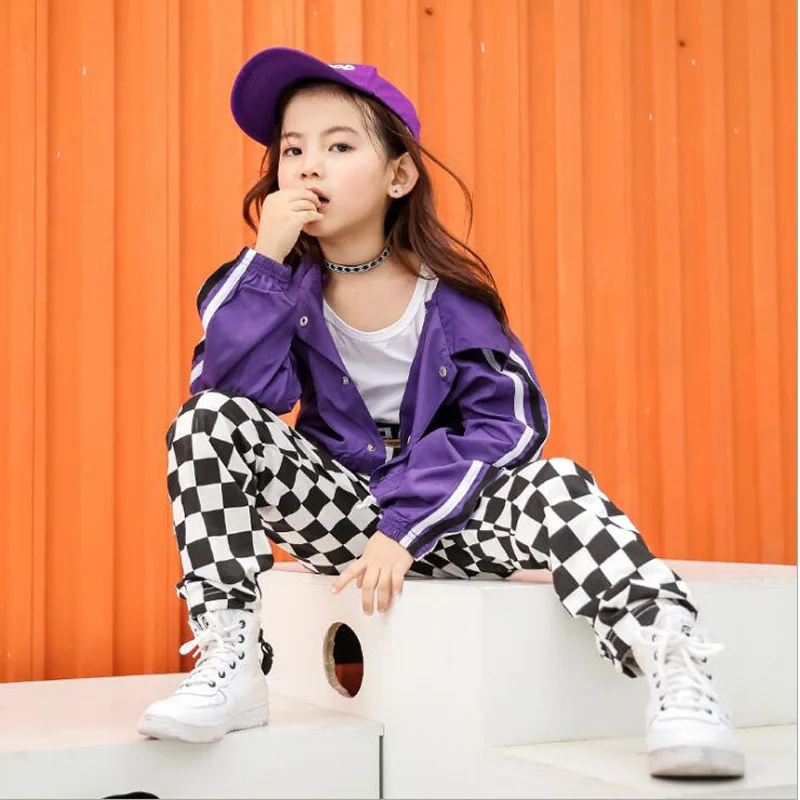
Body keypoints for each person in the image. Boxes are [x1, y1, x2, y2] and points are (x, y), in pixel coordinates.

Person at [137, 47, 744, 779]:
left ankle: (675, 671)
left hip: (452, 522)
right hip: (345, 524)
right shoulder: (273, 286)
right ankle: (232, 661)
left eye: (339, 146)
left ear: (398, 175)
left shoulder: (449, 298)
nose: (308, 167)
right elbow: (236, 394)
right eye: (292, 150)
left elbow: (508, 427)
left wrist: (406, 524)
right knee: (206, 422)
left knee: (560, 482)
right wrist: (266, 263)